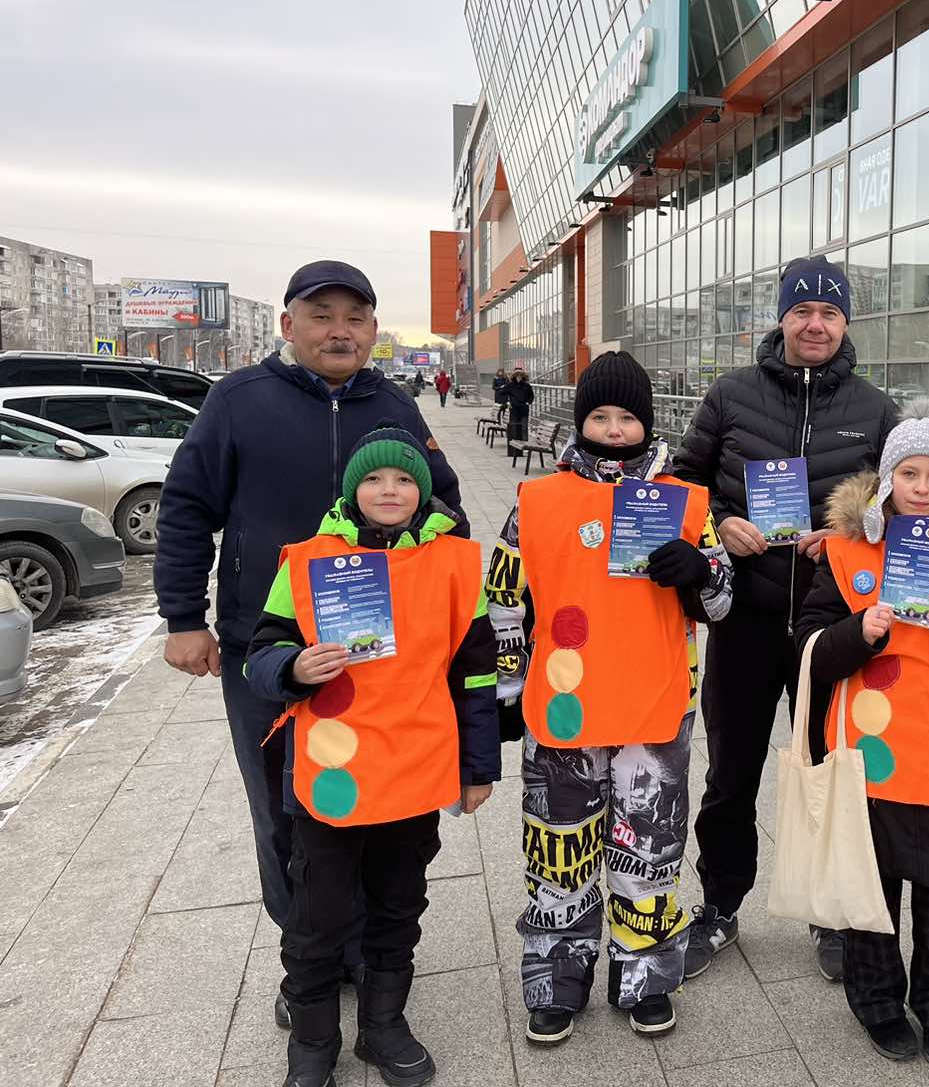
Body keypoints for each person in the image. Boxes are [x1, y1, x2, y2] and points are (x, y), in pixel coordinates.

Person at [155, 260, 466, 1026]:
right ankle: (309, 963)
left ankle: (361, 948)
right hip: (268, 649)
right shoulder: (239, 401)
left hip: (380, 661)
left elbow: (447, 509)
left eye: (355, 317)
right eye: (322, 315)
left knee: (375, 806)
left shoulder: (393, 404)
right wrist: (183, 617)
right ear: (288, 324)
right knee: (286, 812)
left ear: (373, 329)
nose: (339, 330)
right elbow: (187, 507)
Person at [486, 352, 732, 1044]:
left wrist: (698, 571)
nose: (615, 430)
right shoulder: (538, 500)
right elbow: (503, 597)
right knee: (558, 852)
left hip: (654, 708)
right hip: (563, 708)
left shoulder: (685, 502)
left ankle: (645, 977)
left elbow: (722, 604)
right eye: (601, 416)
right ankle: (556, 978)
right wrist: (507, 687)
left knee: (648, 852)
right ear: (581, 420)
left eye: (628, 417)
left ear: (647, 424)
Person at [246, 426, 498, 1087]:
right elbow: (262, 652)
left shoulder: (454, 562)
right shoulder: (308, 560)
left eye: (405, 479)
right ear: (352, 489)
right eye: (375, 479)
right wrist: (293, 668)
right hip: (335, 771)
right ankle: (312, 1043)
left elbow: (475, 674)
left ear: (424, 491)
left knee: (398, 905)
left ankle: (383, 1026)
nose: (390, 490)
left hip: (415, 768)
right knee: (317, 914)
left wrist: (478, 768)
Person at [674, 256, 899, 981]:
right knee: (731, 771)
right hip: (745, 615)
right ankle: (719, 903)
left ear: (845, 323)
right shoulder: (730, 395)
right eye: (802, 311)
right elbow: (682, 483)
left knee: (828, 769)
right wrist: (718, 524)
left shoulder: (875, 409)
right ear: (781, 318)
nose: (815, 324)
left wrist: (850, 533)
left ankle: (829, 912)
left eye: (830, 313)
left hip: (831, 627)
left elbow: (902, 506)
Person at [794, 399, 929, 1069]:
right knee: (874, 886)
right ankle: (878, 1001)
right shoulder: (844, 553)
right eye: (909, 474)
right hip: (871, 749)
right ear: (887, 481)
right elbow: (807, 646)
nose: (921, 488)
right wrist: (856, 633)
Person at [504, 365, 533, 454]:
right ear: (514, 376)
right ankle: (514, 446)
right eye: (517, 375)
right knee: (514, 428)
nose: (519, 377)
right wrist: (508, 402)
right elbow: (502, 393)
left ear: (523, 376)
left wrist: (528, 402)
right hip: (514, 410)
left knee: (524, 428)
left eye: (520, 375)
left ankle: (525, 445)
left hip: (524, 410)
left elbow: (531, 396)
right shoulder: (510, 385)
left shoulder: (527, 385)